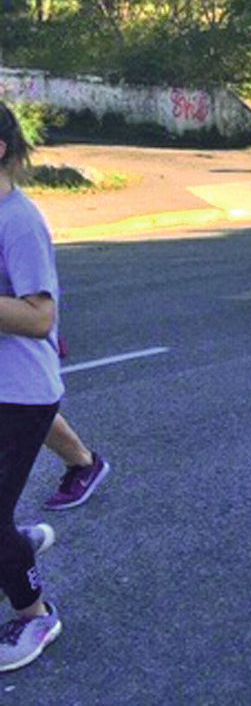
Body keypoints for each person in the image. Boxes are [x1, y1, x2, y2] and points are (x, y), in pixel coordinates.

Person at [0, 102, 65, 671]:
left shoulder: (18, 220)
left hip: (21, 394)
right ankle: (17, 543)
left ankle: (35, 615)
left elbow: (40, 316)